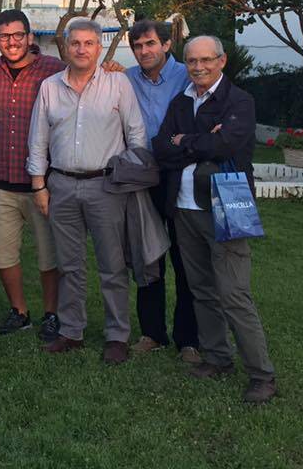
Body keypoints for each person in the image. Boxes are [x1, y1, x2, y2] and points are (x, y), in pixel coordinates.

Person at [153, 35, 277, 404]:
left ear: (221, 61)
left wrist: (184, 141)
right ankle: (217, 357)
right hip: (184, 208)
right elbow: (161, 148)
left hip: (226, 207)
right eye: (192, 61)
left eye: (207, 60)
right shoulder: (181, 101)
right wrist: (199, 141)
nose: (199, 67)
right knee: (201, 289)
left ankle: (262, 375)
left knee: (233, 293)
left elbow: (226, 146)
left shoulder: (238, 101)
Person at [27, 20, 147, 364]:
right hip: (61, 185)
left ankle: (117, 335)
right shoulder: (50, 87)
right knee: (69, 264)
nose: (81, 49)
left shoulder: (118, 84)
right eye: (75, 43)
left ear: (98, 47)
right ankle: (72, 331)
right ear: (66, 47)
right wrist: (39, 185)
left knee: (112, 265)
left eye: (89, 43)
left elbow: (136, 136)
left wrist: (126, 180)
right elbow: (38, 140)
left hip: (106, 186)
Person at [119, 20, 201, 362]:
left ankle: (189, 339)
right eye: (138, 45)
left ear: (166, 44)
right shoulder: (125, 79)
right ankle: (152, 333)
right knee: (147, 255)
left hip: (180, 175)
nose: (144, 51)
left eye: (150, 43)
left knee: (185, 257)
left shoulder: (187, 75)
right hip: (143, 177)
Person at [0, 9, 65, 340]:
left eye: (18, 35)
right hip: (2, 179)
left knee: (49, 254)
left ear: (29, 37)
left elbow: (84, 81)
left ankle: (52, 314)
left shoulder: (53, 70)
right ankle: (19, 311)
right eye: (5, 36)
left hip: (41, 183)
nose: (12, 42)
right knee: (3, 253)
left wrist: (113, 69)